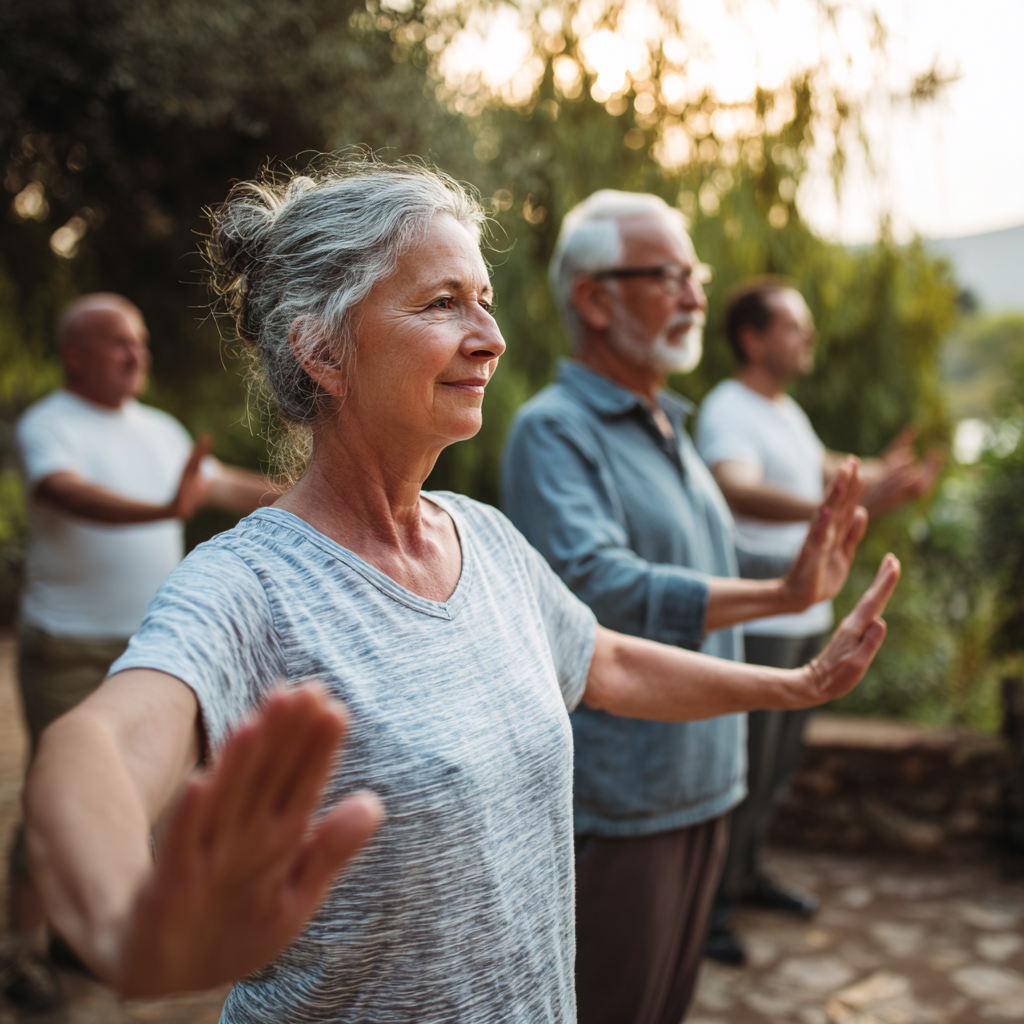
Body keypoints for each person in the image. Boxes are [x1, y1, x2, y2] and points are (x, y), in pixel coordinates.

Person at [21, 160, 899, 1023]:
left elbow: (608, 663)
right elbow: (95, 746)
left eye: (483, 299)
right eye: (443, 303)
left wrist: (800, 684)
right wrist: (123, 925)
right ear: (323, 349)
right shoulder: (248, 584)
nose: (492, 336)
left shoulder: (485, 537)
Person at [500, 190, 871, 1024]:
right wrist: (777, 595)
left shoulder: (669, 422)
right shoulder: (554, 429)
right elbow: (597, 585)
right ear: (595, 299)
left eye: (695, 276)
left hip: (708, 777)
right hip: (626, 797)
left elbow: (705, 557)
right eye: (673, 276)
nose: (699, 297)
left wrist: (806, 565)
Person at [4, 293, 279, 1012]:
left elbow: (218, 487)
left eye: (142, 342)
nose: (138, 355)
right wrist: (164, 511)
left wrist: (325, 499)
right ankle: (22, 953)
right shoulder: (49, 427)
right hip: (66, 646)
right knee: (54, 794)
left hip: (156, 652)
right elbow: (67, 495)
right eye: (121, 343)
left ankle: (87, 927)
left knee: (142, 795)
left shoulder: (159, 430)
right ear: (76, 355)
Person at [694, 278, 941, 965]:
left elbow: (822, 468)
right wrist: (826, 507)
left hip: (808, 615)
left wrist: (879, 477)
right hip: (766, 615)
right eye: (794, 327)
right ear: (753, 338)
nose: (808, 338)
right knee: (745, 768)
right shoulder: (729, 407)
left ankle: (748, 877)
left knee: (777, 768)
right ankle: (710, 912)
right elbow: (733, 484)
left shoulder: (785, 412)